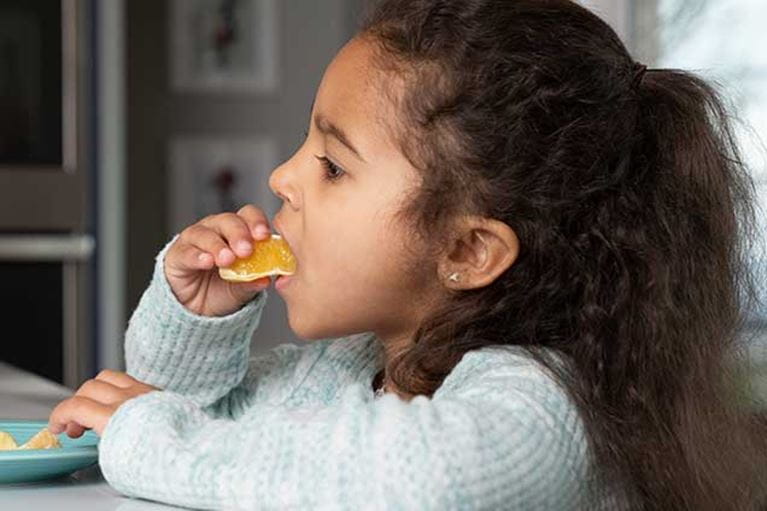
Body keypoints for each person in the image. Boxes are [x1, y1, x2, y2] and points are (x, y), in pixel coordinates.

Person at [48, 0, 767, 509]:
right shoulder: (345, 369)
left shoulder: (539, 405)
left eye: (331, 165)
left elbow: (408, 485)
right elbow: (192, 430)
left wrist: (157, 435)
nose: (281, 178)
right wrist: (197, 326)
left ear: (466, 249)